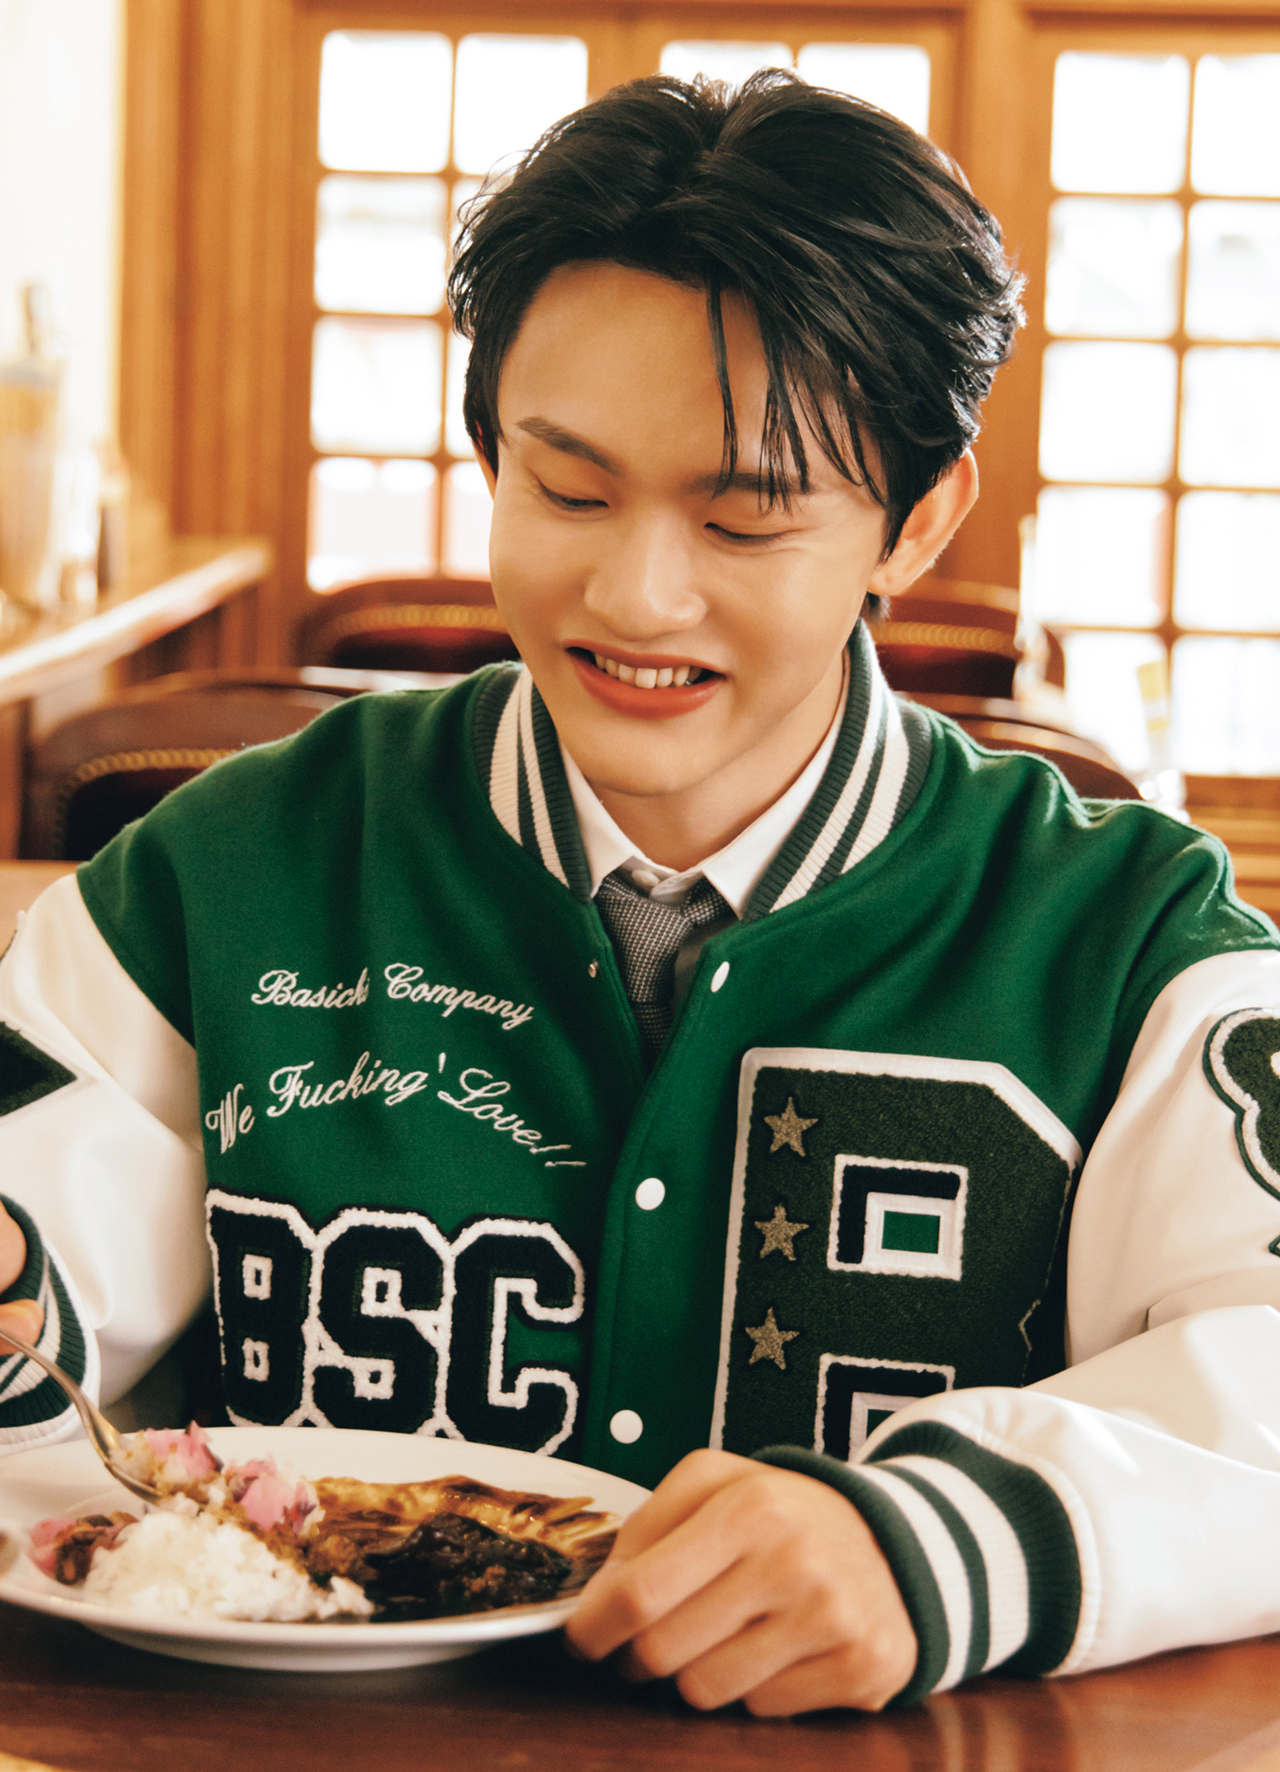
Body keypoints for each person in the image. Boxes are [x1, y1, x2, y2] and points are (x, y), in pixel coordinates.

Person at [3, 69, 1280, 1716]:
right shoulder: (225, 870)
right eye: (570, 491)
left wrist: (944, 1543)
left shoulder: (1129, 940)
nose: (635, 595)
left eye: (745, 520)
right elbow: (38, 1281)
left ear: (917, 518)